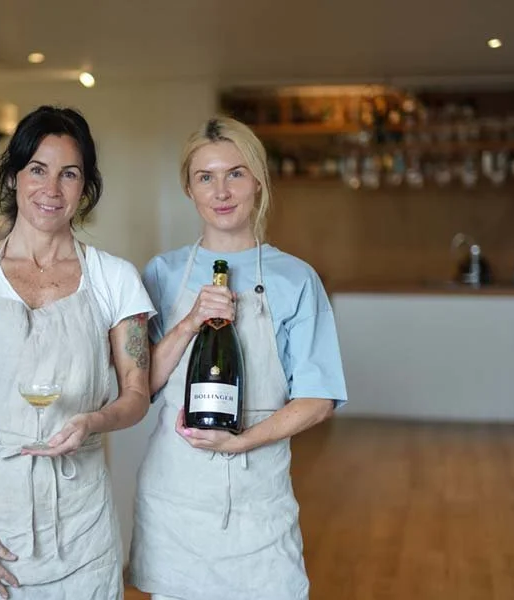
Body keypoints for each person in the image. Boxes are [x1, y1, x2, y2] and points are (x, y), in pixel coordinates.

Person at [0, 105, 155, 599]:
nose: (52, 189)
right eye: (37, 170)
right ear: (12, 177)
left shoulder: (115, 279)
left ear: (85, 188)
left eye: (69, 174)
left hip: (81, 526)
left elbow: (136, 394)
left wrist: (93, 421)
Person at [128, 116, 348, 600]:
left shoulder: (296, 279)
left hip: (258, 500)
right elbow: (140, 388)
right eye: (205, 176)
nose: (221, 190)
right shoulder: (163, 274)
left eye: (236, 173)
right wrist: (188, 322)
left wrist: (242, 442)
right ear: (189, 188)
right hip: (175, 496)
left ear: (258, 182)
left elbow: (318, 398)